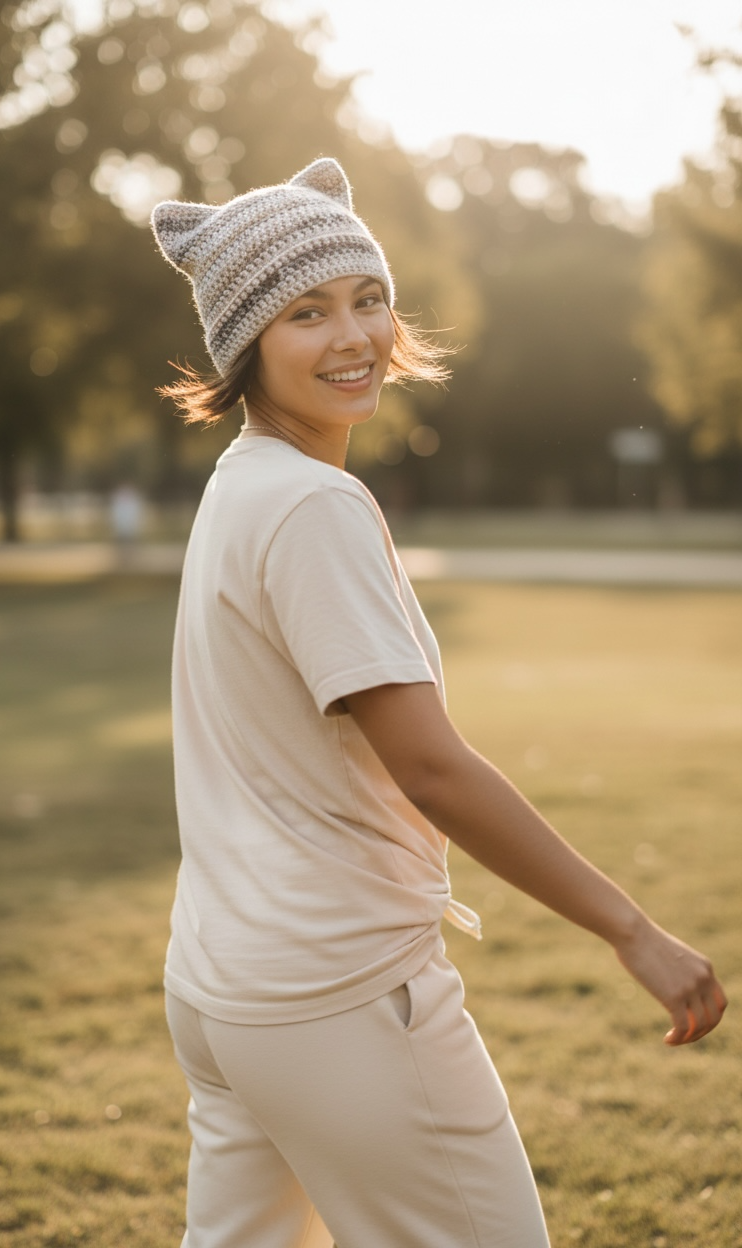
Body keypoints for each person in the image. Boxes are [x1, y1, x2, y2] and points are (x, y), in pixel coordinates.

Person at [150, 158, 726, 1248]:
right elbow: (431, 766)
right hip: (337, 996)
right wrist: (631, 931)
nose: (354, 334)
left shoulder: (242, 483)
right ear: (245, 347)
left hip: (224, 992)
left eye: (368, 298)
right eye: (306, 313)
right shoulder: (311, 504)